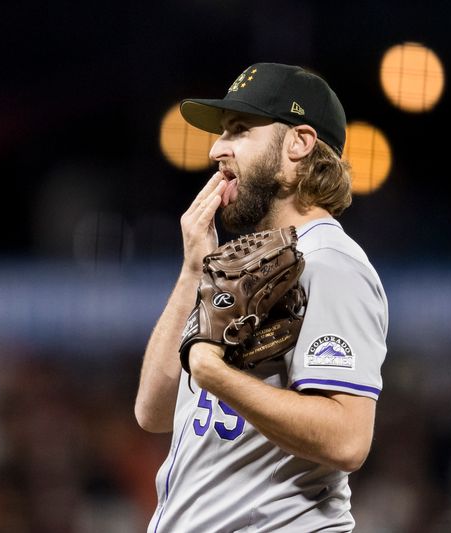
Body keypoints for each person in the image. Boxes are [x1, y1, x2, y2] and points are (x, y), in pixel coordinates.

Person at [135, 63, 388, 532]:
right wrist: (194, 268)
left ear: (299, 143)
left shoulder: (330, 263)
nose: (216, 149)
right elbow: (151, 410)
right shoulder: (240, 267)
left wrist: (211, 370)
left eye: (239, 130)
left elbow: (348, 440)